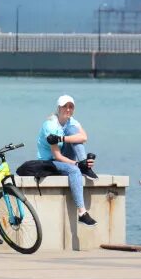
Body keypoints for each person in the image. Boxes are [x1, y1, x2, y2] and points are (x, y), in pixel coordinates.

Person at [36, 95, 97, 226]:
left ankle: (86, 166)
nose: (68, 110)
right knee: (75, 171)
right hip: (49, 161)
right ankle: (82, 212)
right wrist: (76, 164)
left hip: (63, 155)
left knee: (73, 132)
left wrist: (62, 139)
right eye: (65, 106)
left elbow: (84, 137)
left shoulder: (71, 122)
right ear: (59, 108)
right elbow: (57, 156)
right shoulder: (50, 125)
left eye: (71, 107)